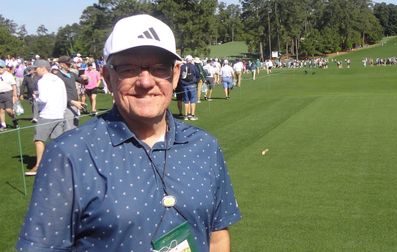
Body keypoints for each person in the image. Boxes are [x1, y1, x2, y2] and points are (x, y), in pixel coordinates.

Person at [17, 14, 241, 251]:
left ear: (175, 74)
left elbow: (217, 237)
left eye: (159, 68)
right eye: (128, 69)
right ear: (108, 78)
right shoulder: (69, 155)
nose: (145, 82)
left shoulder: (205, 146)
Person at [25, 59, 67, 176]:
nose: (34, 71)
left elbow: (43, 99)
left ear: (43, 68)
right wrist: (62, 111)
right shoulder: (58, 79)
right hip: (59, 114)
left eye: (36, 68)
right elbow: (64, 96)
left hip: (47, 114)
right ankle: (60, 164)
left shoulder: (42, 81)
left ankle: (38, 165)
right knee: (57, 141)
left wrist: (36, 98)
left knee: (39, 140)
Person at [55, 56, 86, 130]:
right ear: (61, 64)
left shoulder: (71, 74)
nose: (70, 65)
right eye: (67, 64)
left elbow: (83, 81)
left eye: (70, 64)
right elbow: (58, 95)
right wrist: (71, 102)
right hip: (66, 106)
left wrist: (86, 79)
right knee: (68, 129)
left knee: (75, 127)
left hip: (75, 105)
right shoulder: (58, 76)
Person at [180, 55, 201, 120]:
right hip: (192, 85)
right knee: (193, 101)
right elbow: (198, 75)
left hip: (184, 85)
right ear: (191, 60)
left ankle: (186, 116)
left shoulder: (182, 67)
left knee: (186, 101)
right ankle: (192, 115)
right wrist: (196, 82)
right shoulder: (194, 67)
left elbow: (179, 76)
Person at [0, 59, 18, 130]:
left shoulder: (9, 75)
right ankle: (3, 125)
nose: (0, 69)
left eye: (1, 67)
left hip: (7, 93)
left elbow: (14, 85)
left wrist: (15, 95)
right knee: (1, 110)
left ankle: (14, 118)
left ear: (4, 67)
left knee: (8, 110)